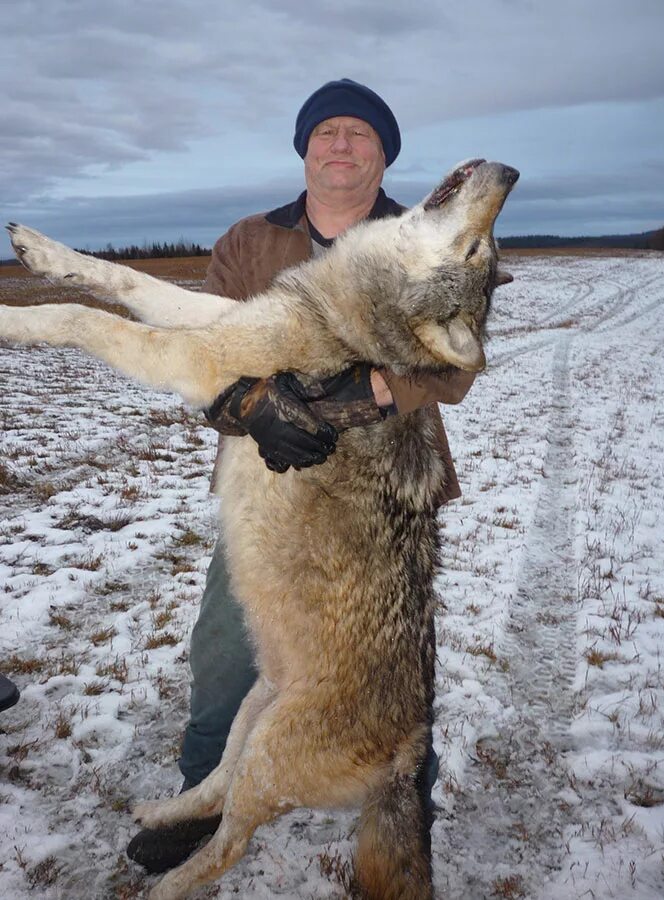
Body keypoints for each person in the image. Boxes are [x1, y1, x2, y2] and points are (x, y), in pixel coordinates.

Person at [127, 78, 477, 873]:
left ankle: (402, 808)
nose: (342, 144)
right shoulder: (250, 241)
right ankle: (199, 795)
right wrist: (251, 408)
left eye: (361, 133)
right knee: (224, 650)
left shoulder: (426, 239)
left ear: (384, 155)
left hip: (382, 494)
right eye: (327, 133)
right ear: (305, 149)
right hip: (269, 487)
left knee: (389, 661)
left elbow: (453, 366)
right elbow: (203, 353)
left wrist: (362, 396)